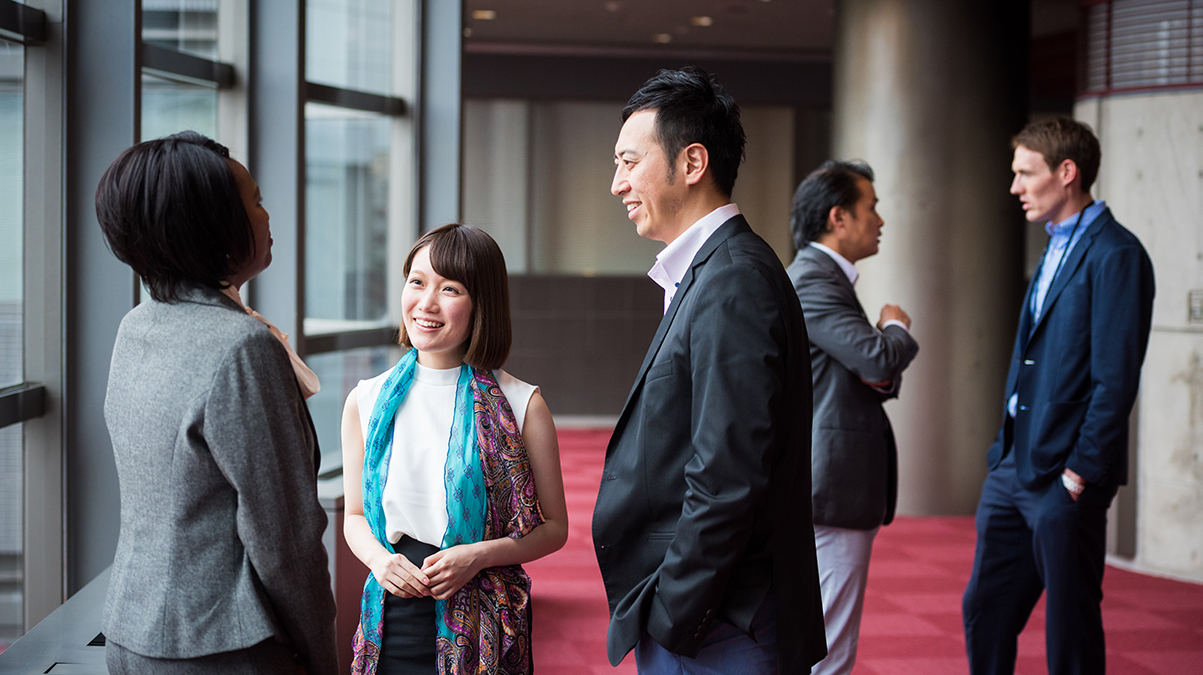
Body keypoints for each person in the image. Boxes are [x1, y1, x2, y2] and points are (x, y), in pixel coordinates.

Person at [592, 66, 827, 674]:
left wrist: (675, 612)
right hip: (710, 617)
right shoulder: (709, 272)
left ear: (692, 162)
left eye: (628, 162)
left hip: (722, 626)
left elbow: (727, 474)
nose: (616, 183)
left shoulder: (735, 280)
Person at [96, 131, 338, 674]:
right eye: (254, 202)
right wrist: (324, 658)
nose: (267, 214)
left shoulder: (136, 326)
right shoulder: (242, 347)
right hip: (225, 647)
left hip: (131, 633)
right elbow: (287, 540)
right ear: (211, 225)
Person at [962, 117, 1155, 675]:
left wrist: (1080, 474)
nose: (1015, 186)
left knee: (1068, 628)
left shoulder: (1117, 254)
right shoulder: (1052, 247)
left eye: (1026, 173)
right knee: (985, 608)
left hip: (1065, 479)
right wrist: (1001, 454)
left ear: (1066, 173)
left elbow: (1115, 378)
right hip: (1012, 468)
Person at [341, 223, 568, 675]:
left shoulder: (523, 404)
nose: (426, 303)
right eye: (417, 282)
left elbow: (554, 528)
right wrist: (380, 562)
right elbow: (354, 518)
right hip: (392, 618)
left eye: (450, 289)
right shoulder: (367, 399)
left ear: (481, 302)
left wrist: (478, 556)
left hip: (485, 624)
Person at [786, 160, 919, 675]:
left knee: (825, 635)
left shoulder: (825, 278)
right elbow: (879, 359)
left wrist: (879, 361)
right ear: (838, 217)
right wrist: (894, 327)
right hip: (833, 483)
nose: (881, 219)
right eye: (873, 207)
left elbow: (871, 374)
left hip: (831, 480)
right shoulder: (814, 280)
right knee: (830, 647)